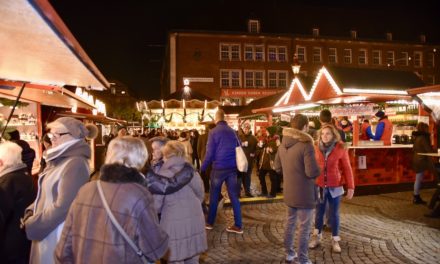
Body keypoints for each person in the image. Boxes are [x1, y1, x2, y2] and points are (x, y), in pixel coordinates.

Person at [55, 137, 169, 263]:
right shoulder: (139, 195)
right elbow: (155, 248)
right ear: (140, 158)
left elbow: (63, 248)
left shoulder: (86, 190)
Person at [23, 117, 98, 264]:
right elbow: (46, 194)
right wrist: (32, 211)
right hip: (48, 229)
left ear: (73, 136)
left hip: (57, 233)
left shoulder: (75, 163)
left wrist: (34, 224)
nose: (52, 139)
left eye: (56, 135)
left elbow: (65, 207)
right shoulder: (60, 159)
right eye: (51, 135)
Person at [273, 114, 321, 264]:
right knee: (304, 228)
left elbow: (277, 167)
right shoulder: (306, 145)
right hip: (305, 194)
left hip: (289, 192)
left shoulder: (282, 144)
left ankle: (289, 253)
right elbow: (311, 172)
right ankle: (303, 259)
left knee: (290, 223)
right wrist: (319, 168)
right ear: (305, 127)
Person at [154, 141, 207, 263]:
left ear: (165, 155)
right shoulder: (192, 171)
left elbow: (156, 206)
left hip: (173, 224)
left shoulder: (162, 175)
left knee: (175, 258)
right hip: (195, 220)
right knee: (193, 258)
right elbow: (201, 195)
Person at [309, 124, 355, 253]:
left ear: (333, 135)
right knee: (319, 213)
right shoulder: (315, 146)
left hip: (335, 186)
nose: (325, 136)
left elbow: (347, 168)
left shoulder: (340, 147)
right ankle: (316, 237)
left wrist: (351, 186)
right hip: (319, 186)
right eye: (323, 134)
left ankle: (335, 239)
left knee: (334, 215)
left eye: (328, 133)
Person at [201, 109, 243, 234]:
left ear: (216, 118)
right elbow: (238, 147)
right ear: (224, 118)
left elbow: (209, 153)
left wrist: (202, 168)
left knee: (214, 195)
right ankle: (238, 225)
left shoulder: (213, 132)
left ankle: (210, 222)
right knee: (234, 196)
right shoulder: (232, 132)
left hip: (218, 168)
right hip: (232, 169)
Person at [0, 141, 36, 263]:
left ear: (1, 162)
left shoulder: (7, 181)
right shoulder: (23, 175)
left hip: (10, 245)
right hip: (22, 240)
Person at [411, 122, 436, 204]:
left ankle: (416, 196)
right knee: (419, 178)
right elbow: (428, 149)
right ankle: (416, 196)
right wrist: (435, 150)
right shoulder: (423, 138)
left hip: (417, 159)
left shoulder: (416, 137)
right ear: (424, 128)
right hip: (422, 160)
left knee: (418, 178)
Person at [238, 122, 258, 197]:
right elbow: (235, 146)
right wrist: (241, 144)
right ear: (243, 129)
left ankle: (247, 191)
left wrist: (254, 154)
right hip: (240, 162)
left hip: (249, 161)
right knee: (239, 178)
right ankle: (238, 192)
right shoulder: (239, 137)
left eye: (247, 128)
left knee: (247, 177)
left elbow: (258, 149)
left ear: (250, 129)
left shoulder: (254, 138)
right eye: (245, 128)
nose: (246, 130)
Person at [257, 134, 278, 198]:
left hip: (271, 164)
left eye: (267, 132)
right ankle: (264, 192)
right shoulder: (265, 141)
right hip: (264, 163)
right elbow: (259, 148)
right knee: (261, 176)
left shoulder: (275, 141)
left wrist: (270, 149)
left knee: (273, 179)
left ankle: (273, 193)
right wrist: (260, 145)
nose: (266, 133)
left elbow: (274, 150)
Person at [198, 123, 215, 192]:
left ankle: (207, 188)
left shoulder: (201, 137)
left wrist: (201, 157)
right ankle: (213, 188)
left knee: (205, 174)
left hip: (204, 158)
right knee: (213, 174)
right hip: (213, 159)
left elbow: (198, 149)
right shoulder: (215, 136)